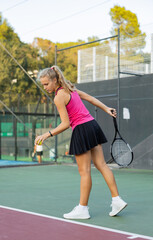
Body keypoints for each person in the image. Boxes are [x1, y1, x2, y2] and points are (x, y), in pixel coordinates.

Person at [35, 65, 127, 219]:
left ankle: (83, 209)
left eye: (46, 84)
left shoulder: (59, 97)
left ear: (55, 80)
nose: (45, 87)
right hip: (92, 125)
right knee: (102, 165)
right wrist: (106, 109)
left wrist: (47, 134)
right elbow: (90, 98)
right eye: (43, 84)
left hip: (82, 130)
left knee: (84, 172)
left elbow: (65, 124)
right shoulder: (71, 89)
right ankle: (117, 200)